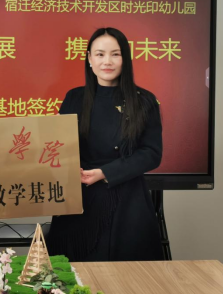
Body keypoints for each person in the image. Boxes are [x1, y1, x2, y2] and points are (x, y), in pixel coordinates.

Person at [47, 27, 164, 262]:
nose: (107, 61)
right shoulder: (74, 97)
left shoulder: (144, 100)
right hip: (79, 198)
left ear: (125, 59)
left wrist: (105, 173)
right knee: (72, 272)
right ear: (89, 59)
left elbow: (151, 153)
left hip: (127, 201)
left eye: (115, 54)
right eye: (100, 54)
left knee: (127, 275)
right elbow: (60, 146)